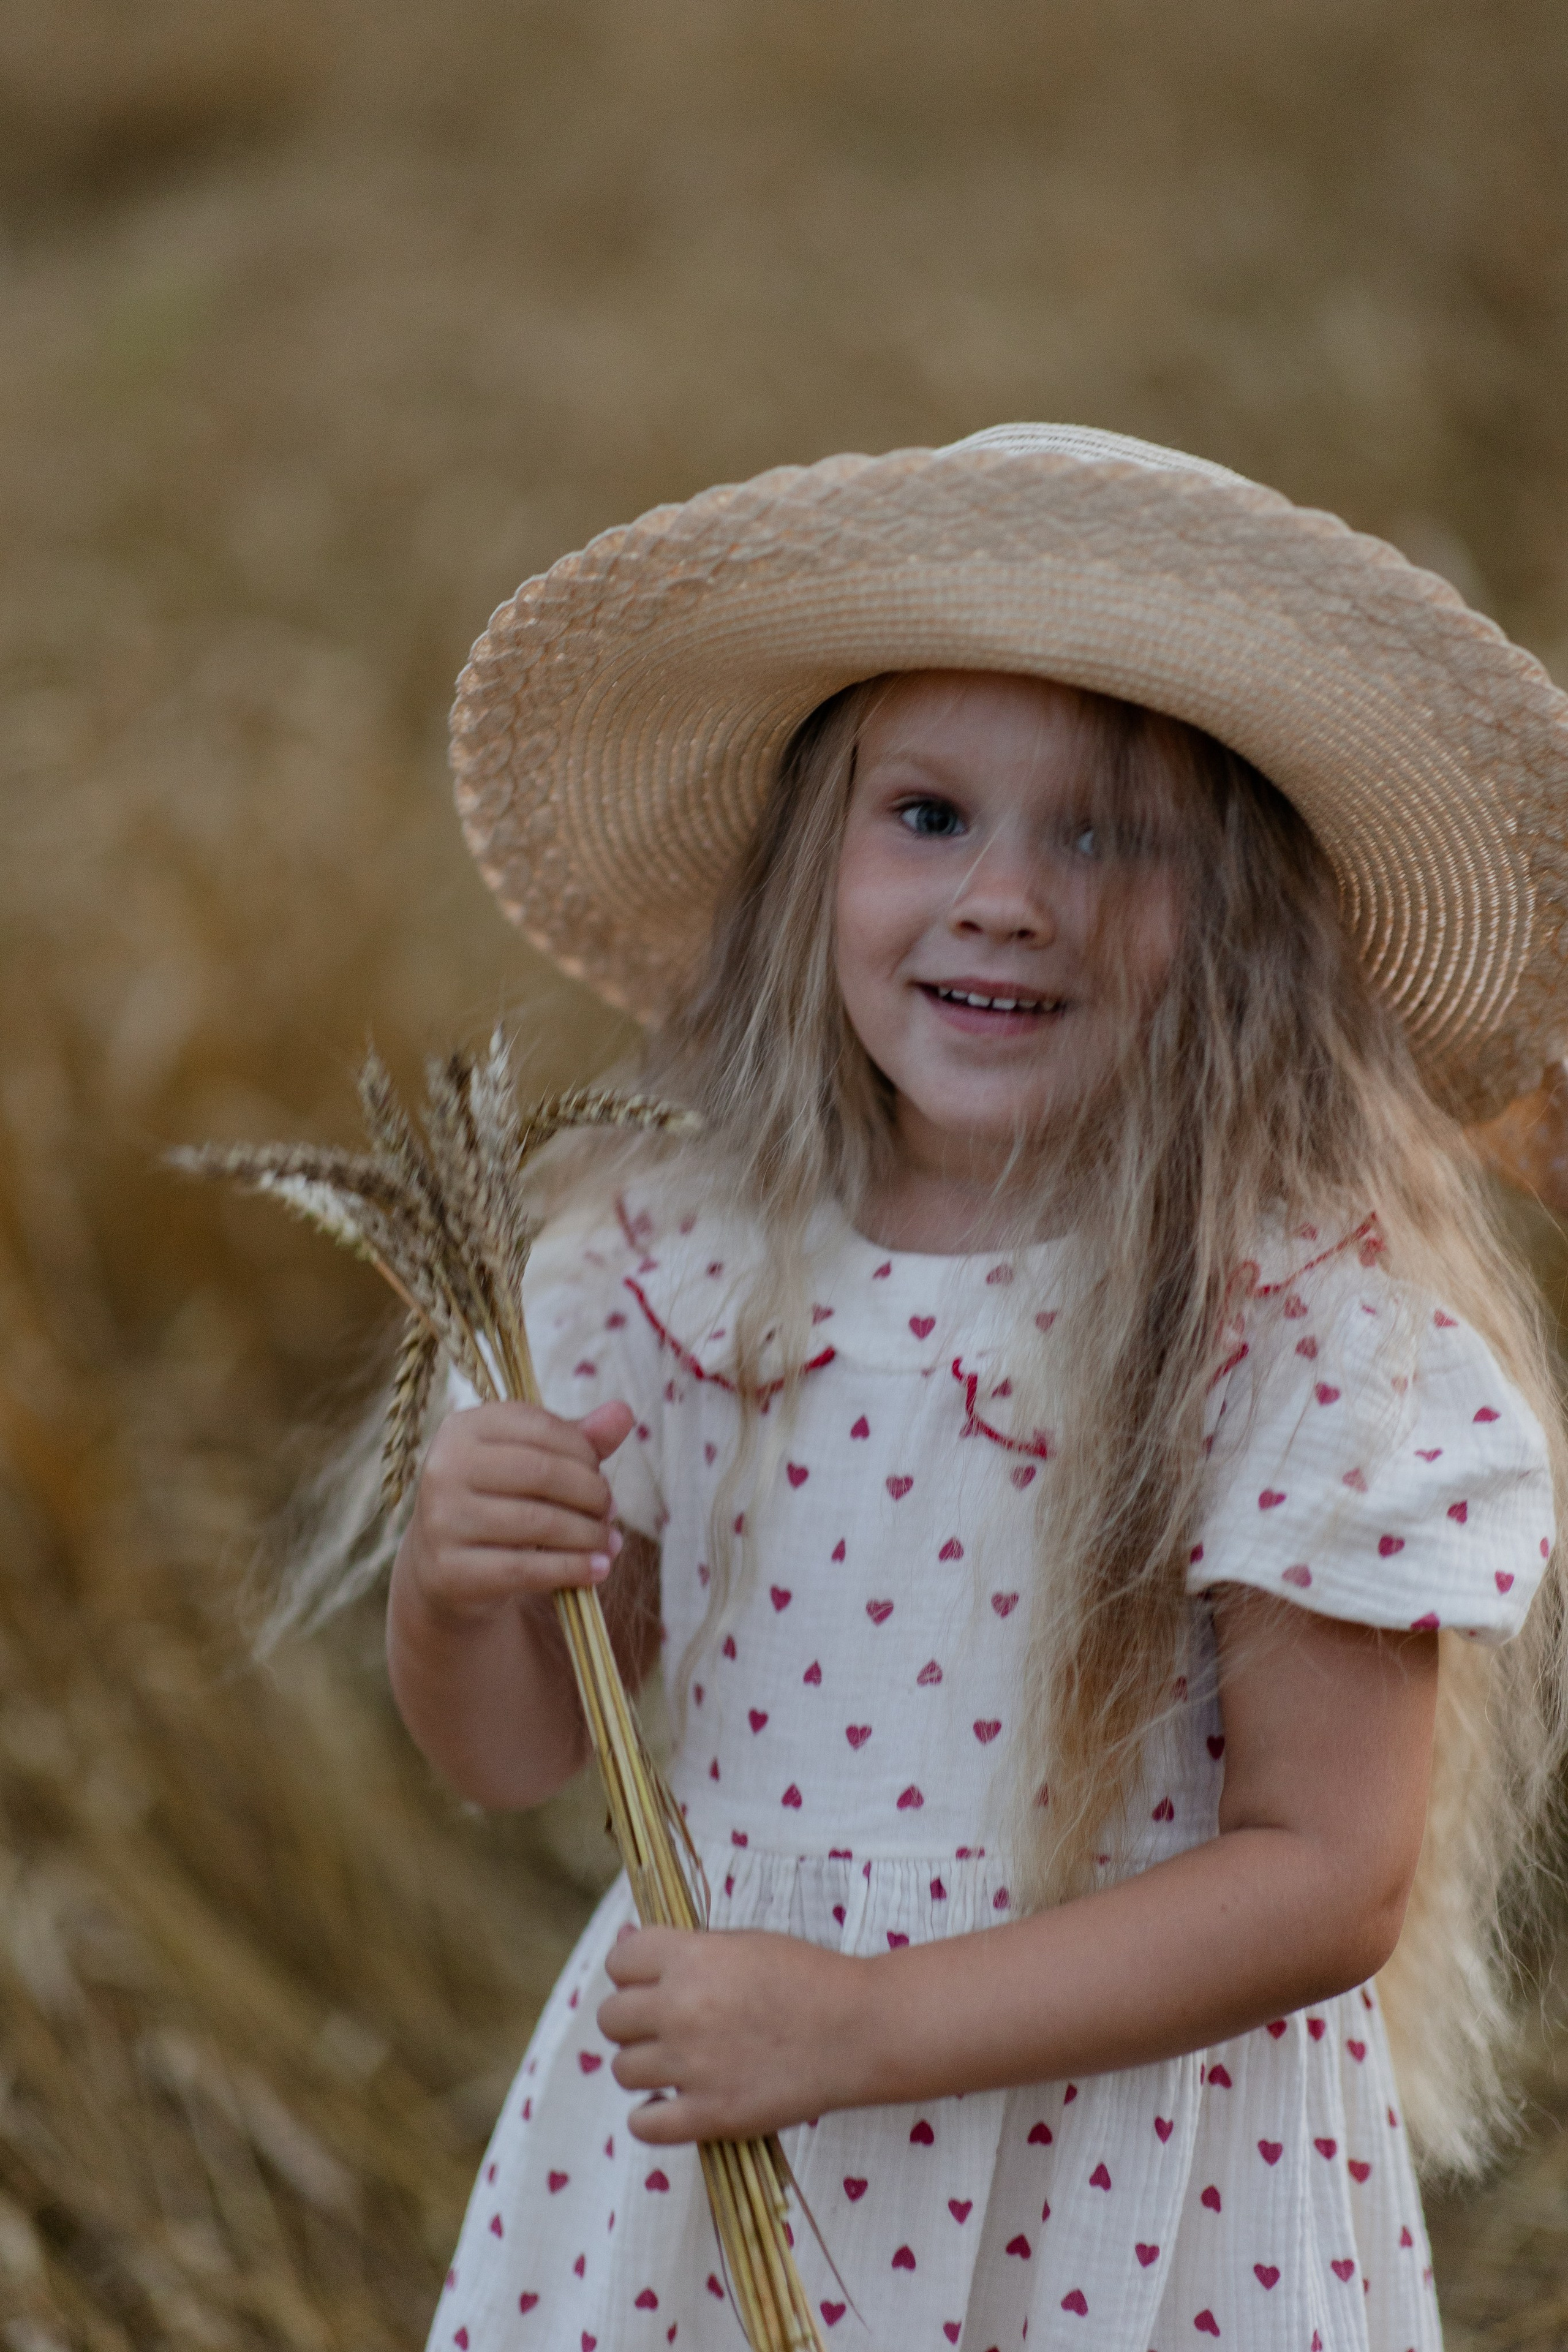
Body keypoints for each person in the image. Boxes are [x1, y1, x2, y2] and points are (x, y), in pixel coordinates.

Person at [383, 427, 1568, 2349]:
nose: (1008, 896)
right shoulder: (672, 1269)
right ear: (809, 867)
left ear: (1248, 921)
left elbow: (1327, 1877)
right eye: (930, 815)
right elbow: (516, 1754)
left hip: (1129, 2196)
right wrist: (456, 1593)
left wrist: (863, 2024)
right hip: (728, 2156)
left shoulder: (1294, 1329)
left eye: (1108, 836)